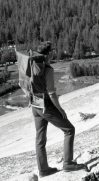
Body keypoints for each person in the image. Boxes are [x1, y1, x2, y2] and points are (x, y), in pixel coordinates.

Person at [32, 41, 86, 177]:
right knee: (69, 130)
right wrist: (60, 109)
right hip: (46, 105)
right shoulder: (47, 69)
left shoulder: (32, 65)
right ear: (49, 54)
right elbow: (51, 92)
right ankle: (68, 163)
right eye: (52, 52)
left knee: (40, 139)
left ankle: (43, 170)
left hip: (35, 105)